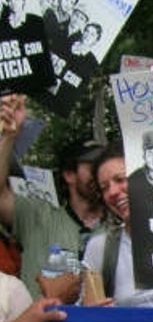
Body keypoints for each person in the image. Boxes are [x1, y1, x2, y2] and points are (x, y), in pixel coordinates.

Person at [0, 95, 109, 300]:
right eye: (92, 165)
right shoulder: (36, 216)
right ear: (69, 175)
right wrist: (9, 135)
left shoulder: (120, 228)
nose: (99, 172)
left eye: (103, 165)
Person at [82, 141, 153, 308]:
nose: (112, 192)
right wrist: (96, 315)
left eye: (120, 179)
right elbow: (89, 318)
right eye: (104, 187)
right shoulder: (100, 248)